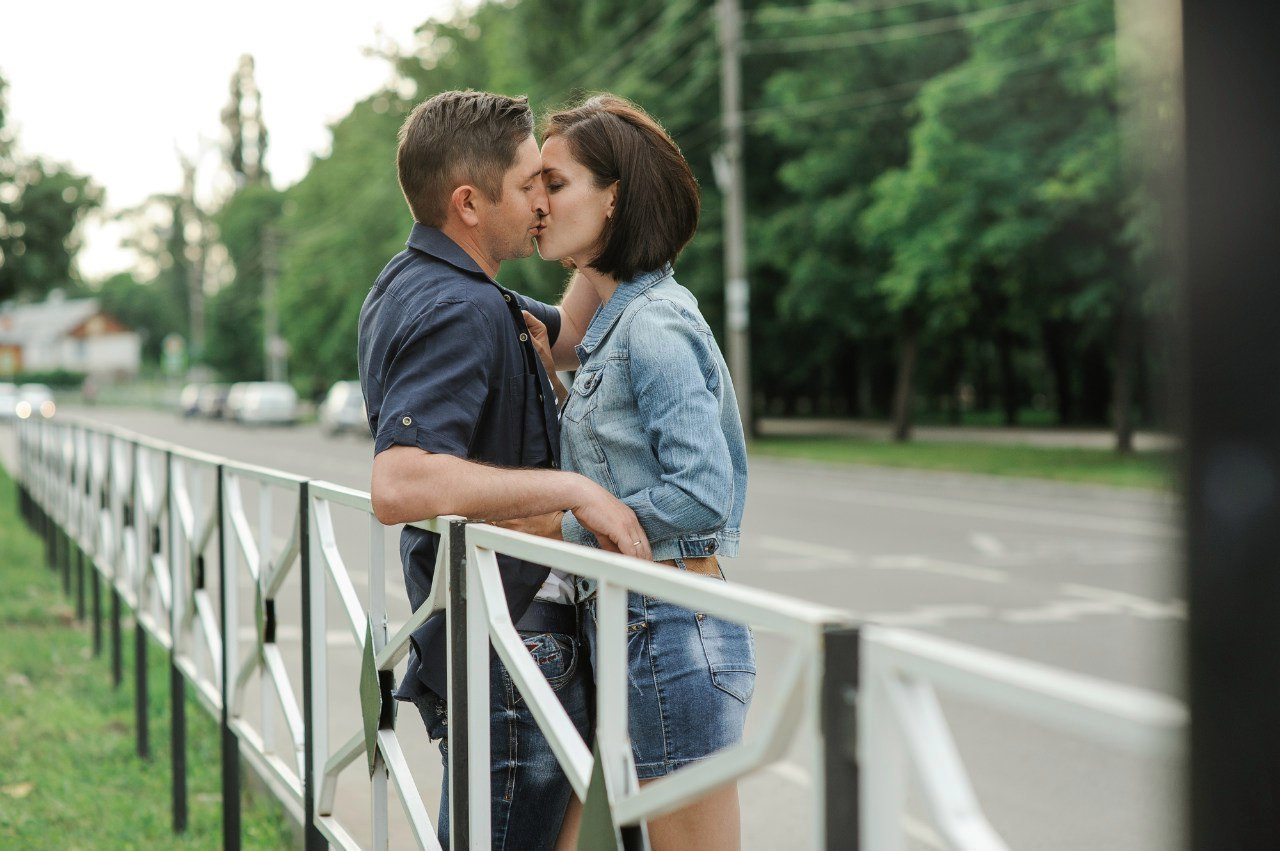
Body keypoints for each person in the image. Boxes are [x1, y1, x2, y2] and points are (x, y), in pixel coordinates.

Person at [356, 89, 652, 851]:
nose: (542, 201)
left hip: (487, 629)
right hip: (510, 641)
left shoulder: (426, 282)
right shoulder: (461, 307)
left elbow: (575, 332)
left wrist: (605, 220)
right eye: (530, 185)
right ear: (469, 203)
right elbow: (401, 482)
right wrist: (575, 489)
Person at [522, 94, 755, 851]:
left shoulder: (653, 326)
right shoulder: (619, 320)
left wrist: (558, 523)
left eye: (554, 183)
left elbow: (700, 490)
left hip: (670, 628)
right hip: (637, 623)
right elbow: (578, 355)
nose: (537, 201)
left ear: (613, 195)